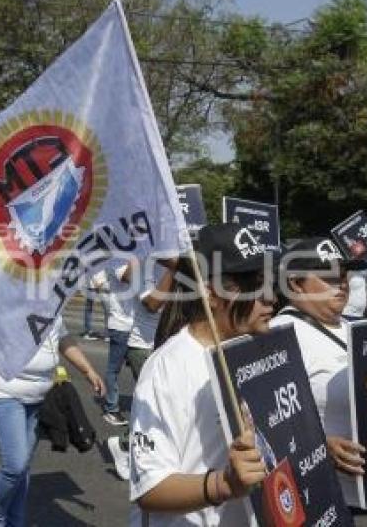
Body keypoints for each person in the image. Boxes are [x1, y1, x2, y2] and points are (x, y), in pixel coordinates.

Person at [129, 223, 275, 526]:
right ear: (210, 293)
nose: (270, 297)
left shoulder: (260, 351)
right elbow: (150, 487)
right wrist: (223, 485)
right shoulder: (167, 367)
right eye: (253, 284)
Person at [0, 316, 105, 527]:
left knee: (24, 466)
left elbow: (62, 337)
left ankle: (15, 522)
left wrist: (88, 370)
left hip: (39, 395)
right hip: (3, 389)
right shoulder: (6, 293)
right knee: (15, 465)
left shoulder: (52, 299)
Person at [270, 237, 367, 506]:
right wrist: (320, 447)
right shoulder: (279, 334)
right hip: (318, 497)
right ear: (295, 284)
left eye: (344, 274)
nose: (343, 283)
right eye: (330, 276)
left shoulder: (353, 328)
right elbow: (266, 419)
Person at [106, 256, 178, 480]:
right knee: (157, 403)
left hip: (166, 343)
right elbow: (152, 305)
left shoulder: (172, 265)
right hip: (141, 346)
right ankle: (125, 445)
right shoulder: (142, 264)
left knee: (164, 403)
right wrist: (176, 270)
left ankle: (141, 449)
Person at [90, 266, 135, 426]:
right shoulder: (114, 264)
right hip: (120, 325)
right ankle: (111, 409)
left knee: (138, 369)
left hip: (129, 324)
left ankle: (122, 407)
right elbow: (125, 277)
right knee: (114, 369)